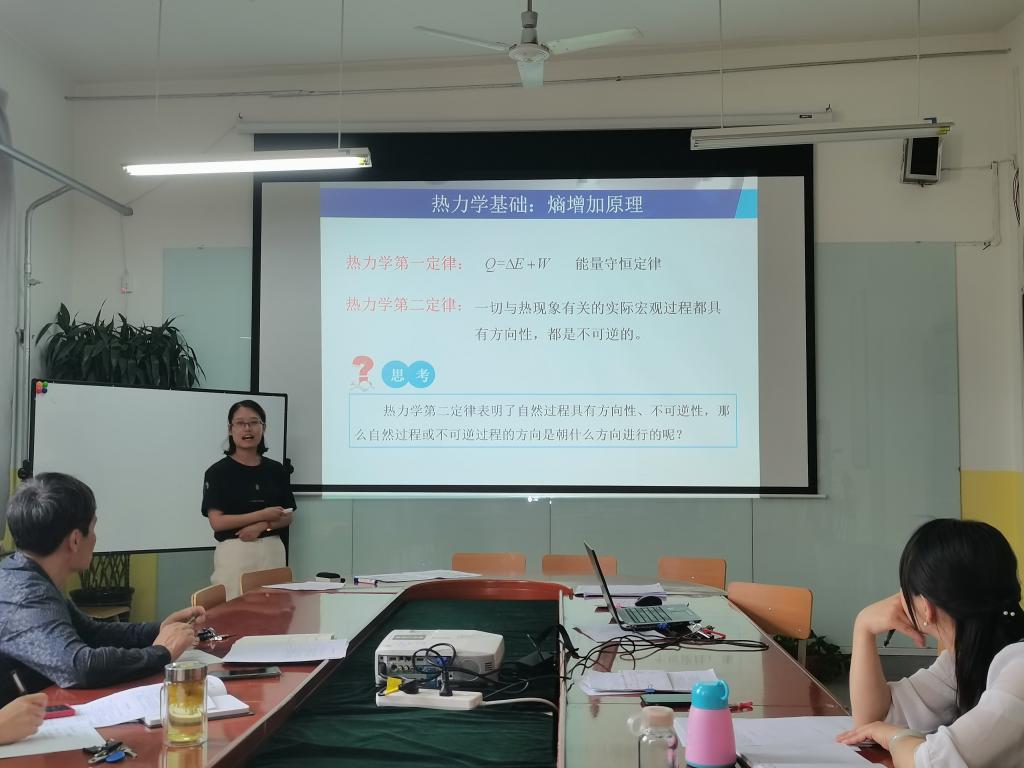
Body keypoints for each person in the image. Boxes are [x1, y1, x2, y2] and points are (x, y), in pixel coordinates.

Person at [837, 518, 1024, 767]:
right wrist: (863, 628)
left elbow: (931, 763)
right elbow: (872, 721)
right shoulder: (967, 657)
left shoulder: (1019, 669)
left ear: (926, 607)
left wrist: (895, 737)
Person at [0, 473, 203, 689]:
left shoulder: (27, 575)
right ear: (75, 540)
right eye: (93, 528)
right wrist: (161, 653)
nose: (95, 538)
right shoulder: (25, 594)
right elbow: (80, 667)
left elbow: (91, 633)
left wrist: (159, 629)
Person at [203, 399, 295, 600]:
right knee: (234, 608)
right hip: (235, 551)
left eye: (254, 422)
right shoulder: (217, 472)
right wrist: (262, 514)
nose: (248, 429)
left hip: (272, 549)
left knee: (275, 608)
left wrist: (263, 526)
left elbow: (288, 515)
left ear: (264, 427)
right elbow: (217, 522)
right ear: (230, 429)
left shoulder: (276, 470)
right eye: (240, 423)